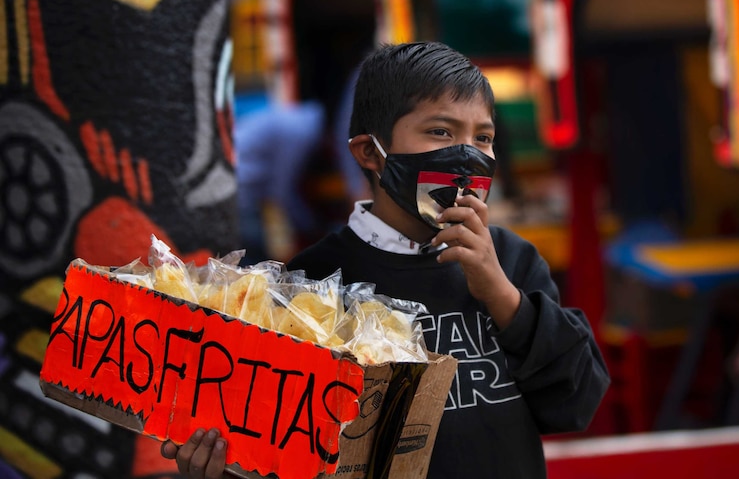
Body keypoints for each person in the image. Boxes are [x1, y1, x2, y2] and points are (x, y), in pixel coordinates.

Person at [162, 41, 610, 478]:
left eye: (484, 137)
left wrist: (502, 294)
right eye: (440, 131)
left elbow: (576, 400)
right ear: (370, 153)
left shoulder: (512, 260)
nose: (468, 154)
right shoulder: (311, 283)